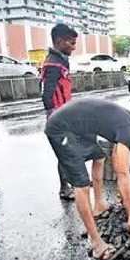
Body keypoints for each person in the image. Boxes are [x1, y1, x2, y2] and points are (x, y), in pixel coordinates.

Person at [45, 98, 130, 260]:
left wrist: (126, 194)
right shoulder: (127, 128)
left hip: (78, 128)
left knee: (100, 156)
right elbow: (123, 173)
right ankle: (96, 244)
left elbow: (117, 162)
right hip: (61, 128)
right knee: (82, 185)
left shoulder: (129, 121)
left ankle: (99, 205)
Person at [40, 23, 78, 201]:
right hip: (59, 117)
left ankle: (69, 183)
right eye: (71, 43)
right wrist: (55, 117)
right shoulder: (53, 64)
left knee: (68, 150)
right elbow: (46, 95)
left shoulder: (61, 60)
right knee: (64, 153)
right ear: (59, 41)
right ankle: (65, 188)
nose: (74, 46)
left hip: (65, 113)